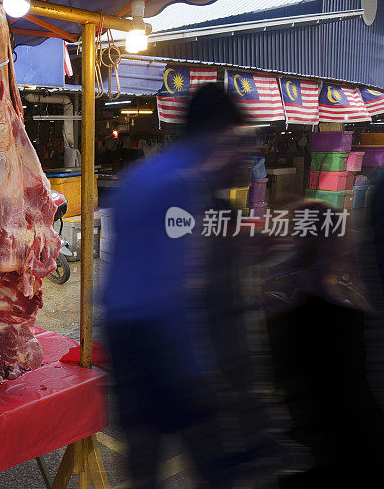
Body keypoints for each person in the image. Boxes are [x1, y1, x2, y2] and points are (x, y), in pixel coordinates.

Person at [101, 83, 275, 487]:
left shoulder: (143, 176)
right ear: (217, 136)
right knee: (212, 464)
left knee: (144, 464)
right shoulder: (181, 184)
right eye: (237, 142)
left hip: (125, 343)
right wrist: (202, 375)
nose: (242, 157)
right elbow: (174, 292)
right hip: (160, 348)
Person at [263, 200, 384, 487]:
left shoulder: (285, 308)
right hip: (349, 458)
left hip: (318, 453)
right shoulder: (341, 317)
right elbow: (358, 402)